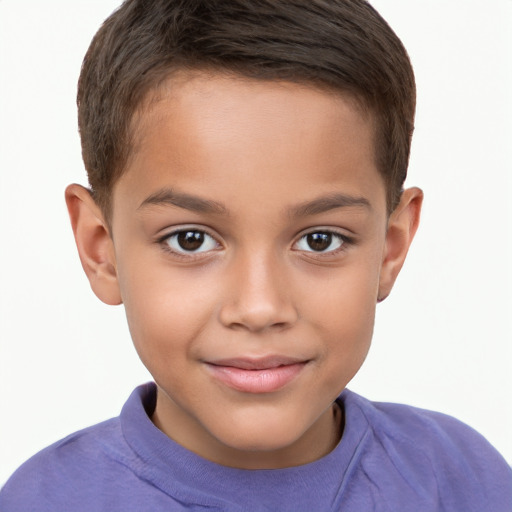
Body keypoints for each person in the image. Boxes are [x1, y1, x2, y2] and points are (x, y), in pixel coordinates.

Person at [0, 0, 510, 510]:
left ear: (390, 248)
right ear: (101, 249)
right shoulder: (42, 501)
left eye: (320, 240)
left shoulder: (463, 480)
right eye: (191, 239)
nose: (260, 307)